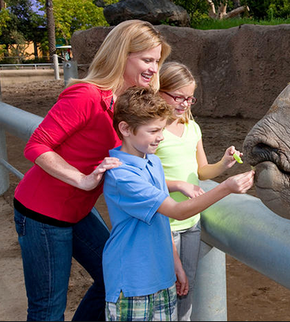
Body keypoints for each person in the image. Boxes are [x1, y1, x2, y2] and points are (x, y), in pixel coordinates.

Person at [12, 19, 171, 321]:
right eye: (147, 59)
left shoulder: (125, 103)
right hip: (42, 214)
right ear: (122, 54)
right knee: (47, 311)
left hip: (79, 211)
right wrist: (82, 179)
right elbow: (36, 146)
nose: (153, 68)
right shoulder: (86, 95)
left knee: (111, 277)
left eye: (157, 61)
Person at [102, 86, 254, 321]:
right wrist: (226, 188)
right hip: (133, 282)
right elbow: (176, 211)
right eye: (153, 131)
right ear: (125, 129)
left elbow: (163, 220)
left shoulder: (153, 162)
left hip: (162, 277)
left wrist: (176, 265)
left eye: (161, 129)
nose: (161, 137)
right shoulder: (122, 176)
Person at [155, 61, 244, 320]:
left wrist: (223, 164)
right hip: (164, 222)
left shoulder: (193, 128)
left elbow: (202, 170)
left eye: (190, 99)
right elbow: (143, 177)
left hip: (191, 221)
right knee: (167, 285)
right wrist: (177, 184)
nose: (183, 104)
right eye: (178, 97)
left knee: (187, 284)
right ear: (160, 90)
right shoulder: (151, 130)